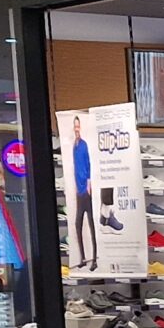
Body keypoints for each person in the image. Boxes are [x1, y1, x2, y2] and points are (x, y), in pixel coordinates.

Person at [68, 115, 96, 270]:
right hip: (79, 191)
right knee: (78, 223)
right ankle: (83, 257)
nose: (76, 129)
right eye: (75, 126)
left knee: (91, 223)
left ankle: (94, 259)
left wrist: (89, 182)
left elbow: (88, 163)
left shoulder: (83, 145)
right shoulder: (74, 145)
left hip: (85, 189)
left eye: (78, 126)